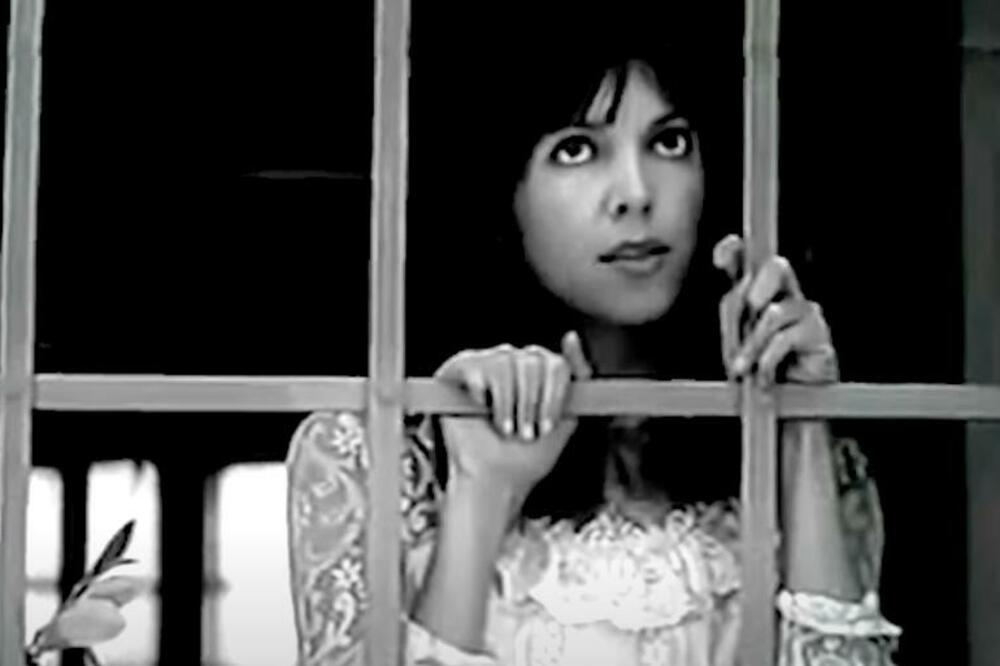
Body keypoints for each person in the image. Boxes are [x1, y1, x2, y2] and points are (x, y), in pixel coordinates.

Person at [286, 7, 901, 665]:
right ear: (502, 191)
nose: (636, 194)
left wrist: (802, 429)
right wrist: (480, 494)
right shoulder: (369, 458)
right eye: (576, 149)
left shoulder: (818, 461)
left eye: (670, 142)